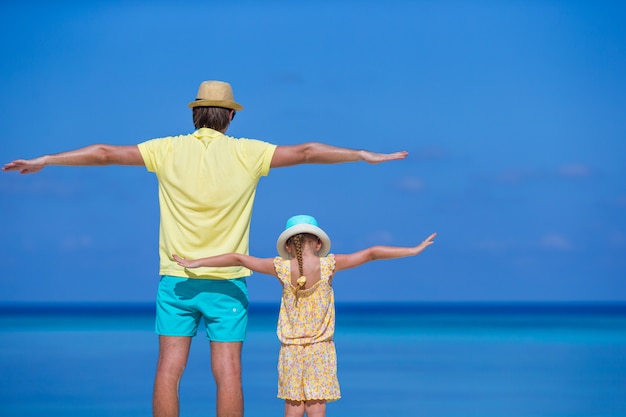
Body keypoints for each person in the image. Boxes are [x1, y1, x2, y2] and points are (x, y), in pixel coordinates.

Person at [2, 80, 408, 417]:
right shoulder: (249, 153)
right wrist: (360, 155)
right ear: (230, 116)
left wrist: (48, 159)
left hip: (176, 282)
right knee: (228, 370)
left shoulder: (166, 149)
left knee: (169, 368)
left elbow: (105, 153)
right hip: (227, 284)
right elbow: (306, 152)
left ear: (195, 114)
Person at [172, 214, 436, 417]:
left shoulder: (280, 268)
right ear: (319, 243)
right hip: (321, 349)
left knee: (293, 407)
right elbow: (372, 253)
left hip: (290, 350)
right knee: (317, 408)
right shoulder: (329, 265)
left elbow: (238, 259)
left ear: (288, 246)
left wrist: (195, 262)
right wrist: (413, 250)